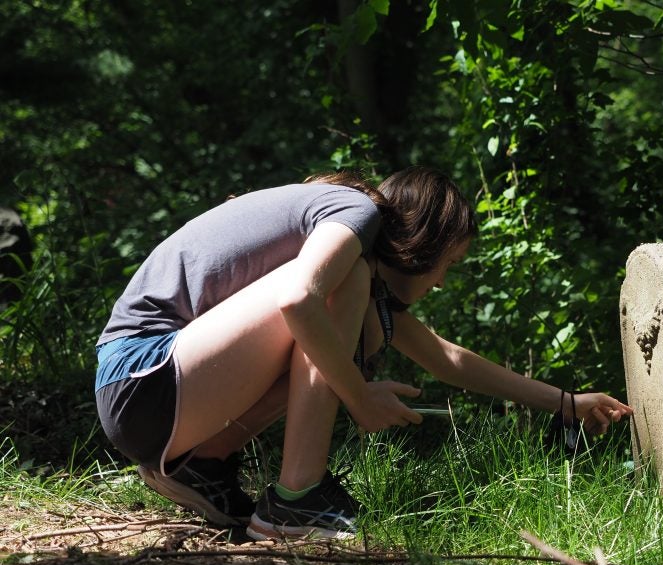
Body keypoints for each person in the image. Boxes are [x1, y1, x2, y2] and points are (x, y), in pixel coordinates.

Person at [95, 167, 633, 541]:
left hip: (156, 399)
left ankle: (203, 464)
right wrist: (359, 396)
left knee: (348, 317)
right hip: (144, 376)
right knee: (336, 292)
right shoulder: (355, 213)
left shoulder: (362, 274)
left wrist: (566, 402)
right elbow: (295, 297)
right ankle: (295, 500)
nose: (443, 282)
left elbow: (447, 359)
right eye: (450, 262)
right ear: (425, 239)